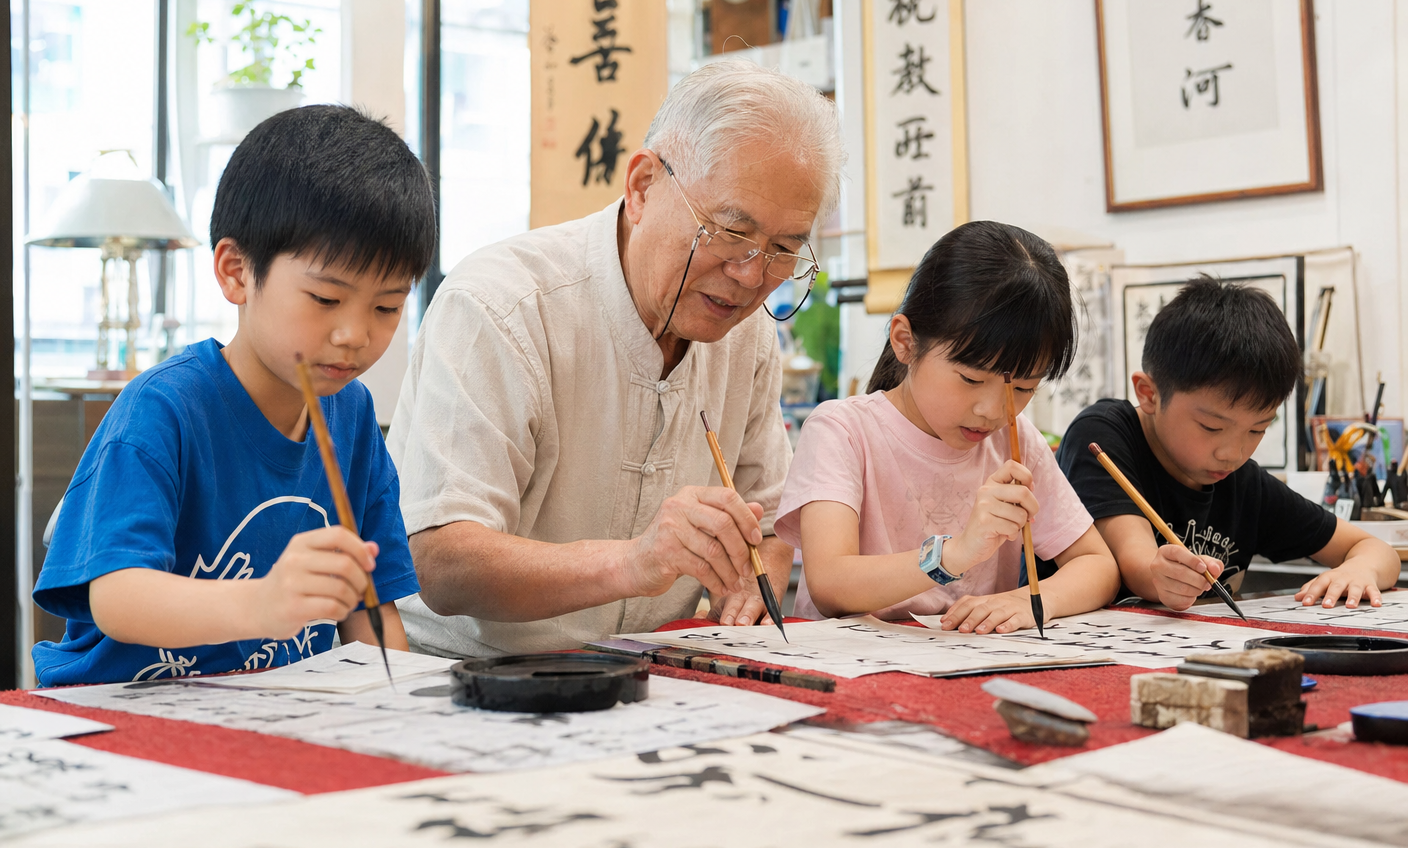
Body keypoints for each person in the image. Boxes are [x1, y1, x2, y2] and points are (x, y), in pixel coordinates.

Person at [388, 58, 841, 657]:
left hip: (648, 669)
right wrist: (634, 561)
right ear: (642, 187)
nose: (752, 275)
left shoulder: (746, 335)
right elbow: (441, 559)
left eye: (784, 249)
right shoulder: (503, 305)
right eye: (731, 231)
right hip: (469, 676)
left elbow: (770, 513)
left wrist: (756, 584)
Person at [32, 106, 435, 686]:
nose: (354, 334)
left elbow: (370, 612)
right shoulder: (163, 410)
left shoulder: (352, 415)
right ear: (236, 272)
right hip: (128, 712)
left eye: (387, 307)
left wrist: (402, 703)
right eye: (325, 299)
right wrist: (264, 603)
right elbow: (116, 596)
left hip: (278, 712)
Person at [775, 221, 1120, 634]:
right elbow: (831, 583)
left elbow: (1097, 564)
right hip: (851, 671)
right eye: (971, 379)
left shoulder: (1017, 441)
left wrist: (1030, 601)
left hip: (965, 669)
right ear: (905, 341)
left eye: (1024, 387)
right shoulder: (842, 430)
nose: (992, 410)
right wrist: (952, 557)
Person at [1057, 277, 1398, 611]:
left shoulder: (1243, 483)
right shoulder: (1103, 435)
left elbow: (1374, 549)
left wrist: (1359, 569)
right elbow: (1137, 562)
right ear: (1148, 393)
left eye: (1257, 430)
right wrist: (1161, 575)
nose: (1232, 454)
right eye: (1211, 427)